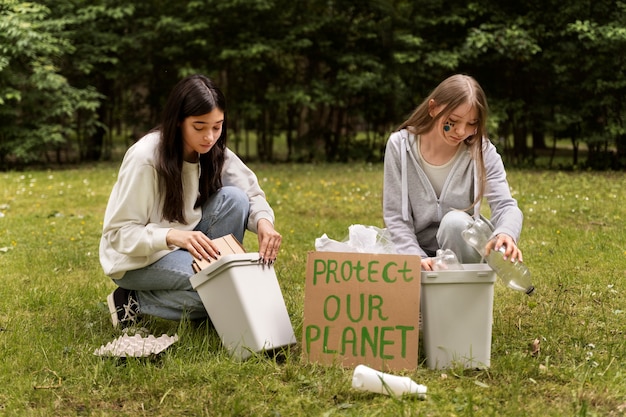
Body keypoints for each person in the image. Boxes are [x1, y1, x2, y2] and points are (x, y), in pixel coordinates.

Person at [99, 74, 282, 328]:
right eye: (199, 126)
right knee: (224, 288)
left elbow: (249, 192)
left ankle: (208, 300)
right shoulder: (145, 159)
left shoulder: (212, 150)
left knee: (235, 199)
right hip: (137, 260)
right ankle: (132, 300)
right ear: (177, 122)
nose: (209, 136)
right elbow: (118, 235)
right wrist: (172, 236)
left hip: (183, 243)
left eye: (217, 126)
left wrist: (264, 221)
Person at [383, 74, 523, 271]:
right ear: (433, 108)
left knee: (454, 222)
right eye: (453, 121)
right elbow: (395, 217)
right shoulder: (399, 146)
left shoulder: (482, 151)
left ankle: (463, 293)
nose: (460, 131)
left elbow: (505, 205)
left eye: (472, 124)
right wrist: (416, 258)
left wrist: (506, 233)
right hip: (415, 251)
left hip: (465, 250)